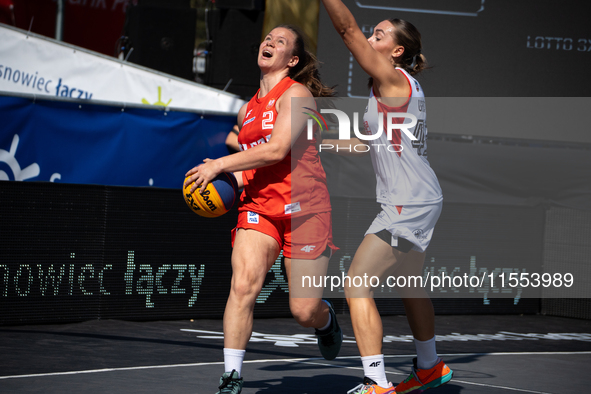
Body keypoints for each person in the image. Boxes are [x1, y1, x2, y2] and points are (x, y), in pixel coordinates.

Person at [184, 24, 341, 394]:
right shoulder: (247, 110)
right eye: (268, 38)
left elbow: (276, 150)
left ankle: (326, 321)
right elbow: (253, 165)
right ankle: (232, 375)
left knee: (304, 310)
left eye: (281, 41)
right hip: (260, 209)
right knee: (242, 286)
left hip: (306, 210)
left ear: (293, 59)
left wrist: (220, 165)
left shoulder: (298, 94)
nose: (270, 42)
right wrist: (227, 181)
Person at [319, 1, 453, 393]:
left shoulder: (393, 79)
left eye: (378, 35)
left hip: (407, 202)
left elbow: (346, 31)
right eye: (370, 33)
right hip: (420, 198)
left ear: (396, 51)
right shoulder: (395, 89)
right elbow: (366, 144)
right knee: (411, 284)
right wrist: (318, 144)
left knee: (356, 283)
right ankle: (429, 366)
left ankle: (376, 383)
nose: (368, 38)